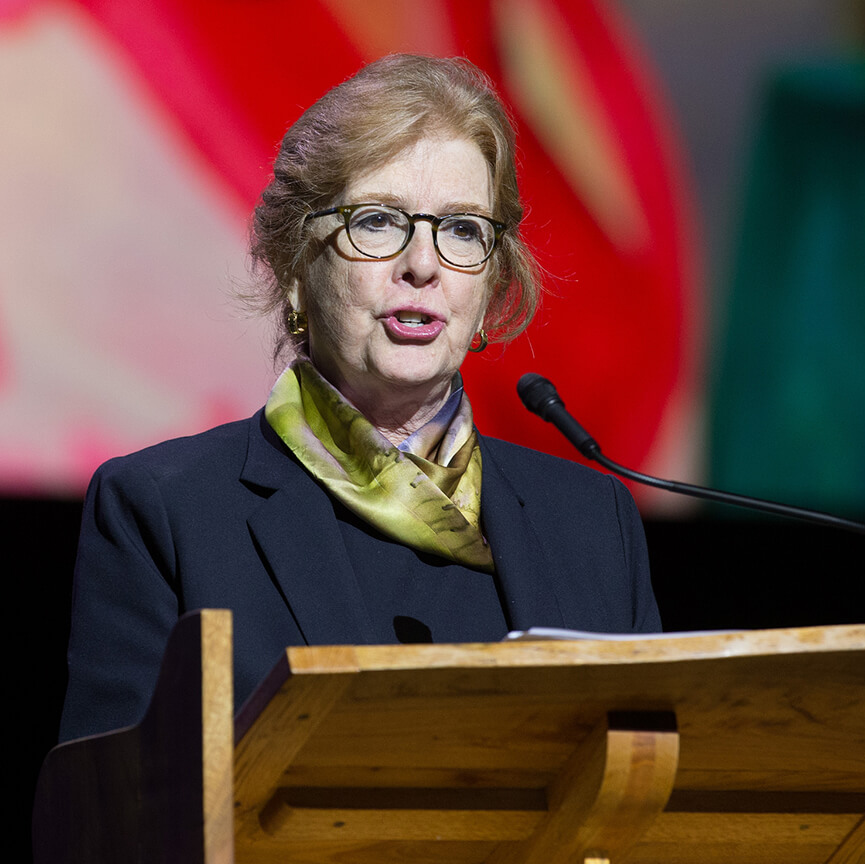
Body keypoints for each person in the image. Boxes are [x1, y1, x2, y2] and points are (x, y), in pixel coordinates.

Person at [59, 54, 661, 743]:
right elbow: (115, 821)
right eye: (378, 221)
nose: (424, 264)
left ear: (493, 282)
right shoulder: (165, 514)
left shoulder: (594, 524)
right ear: (294, 264)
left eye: (463, 229)